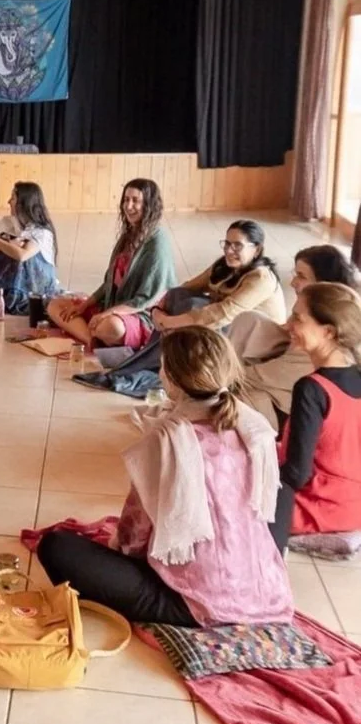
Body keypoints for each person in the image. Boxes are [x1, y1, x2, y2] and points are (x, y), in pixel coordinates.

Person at [38, 327, 292, 627]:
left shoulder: (168, 441)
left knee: (56, 546)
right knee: (283, 491)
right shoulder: (254, 427)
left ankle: (189, 606)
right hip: (263, 591)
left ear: (170, 378)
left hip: (192, 601)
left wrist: (118, 548)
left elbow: (134, 538)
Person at [270, 283, 361, 552]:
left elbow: (296, 474)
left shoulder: (313, 389)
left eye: (297, 318)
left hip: (316, 506)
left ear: (328, 331)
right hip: (354, 505)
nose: (288, 325)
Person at [233, 246, 358, 429]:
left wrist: (212, 378)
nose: (292, 282)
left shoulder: (314, 379)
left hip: (285, 406)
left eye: (301, 276)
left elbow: (299, 456)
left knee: (229, 400)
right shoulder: (317, 314)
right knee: (249, 321)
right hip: (286, 370)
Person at [47, 179, 175, 349]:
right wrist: (83, 306)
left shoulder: (158, 242)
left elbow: (147, 299)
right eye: (126, 200)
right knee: (56, 305)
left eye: (135, 201)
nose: (128, 206)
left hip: (140, 314)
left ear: (149, 204)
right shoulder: (128, 236)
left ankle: (95, 333)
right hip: (112, 307)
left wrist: (107, 314)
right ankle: (89, 339)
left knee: (111, 327)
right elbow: (108, 284)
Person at [150, 220, 284, 335]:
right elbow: (191, 285)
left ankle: (168, 352)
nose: (229, 251)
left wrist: (169, 322)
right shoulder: (224, 265)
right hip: (231, 325)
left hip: (254, 338)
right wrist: (160, 304)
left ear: (257, 250)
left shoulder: (262, 278)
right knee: (177, 294)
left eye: (237, 245)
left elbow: (223, 313)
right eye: (227, 243)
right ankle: (163, 347)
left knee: (193, 306)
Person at [0, 181, 59, 314]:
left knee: (18, 255)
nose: (8, 202)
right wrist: (3, 243)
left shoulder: (41, 232)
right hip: (8, 285)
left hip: (33, 287)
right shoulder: (8, 223)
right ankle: (3, 295)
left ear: (24, 203)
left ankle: (16, 298)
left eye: (13, 198)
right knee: (4, 252)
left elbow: (22, 255)